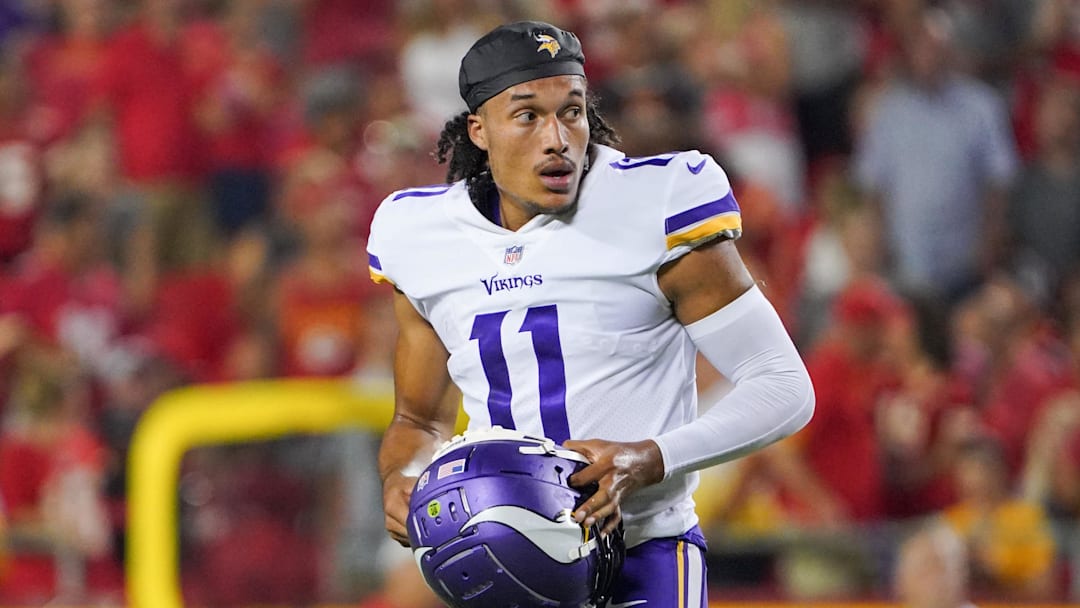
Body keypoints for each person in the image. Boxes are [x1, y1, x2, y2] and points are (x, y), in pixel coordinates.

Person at [367, 21, 815, 606]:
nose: (557, 138)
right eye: (527, 116)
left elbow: (784, 388)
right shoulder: (421, 234)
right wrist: (401, 479)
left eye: (572, 111)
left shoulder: (656, 204)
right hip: (500, 563)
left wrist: (647, 458)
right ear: (479, 130)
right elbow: (420, 422)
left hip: (643, 552)